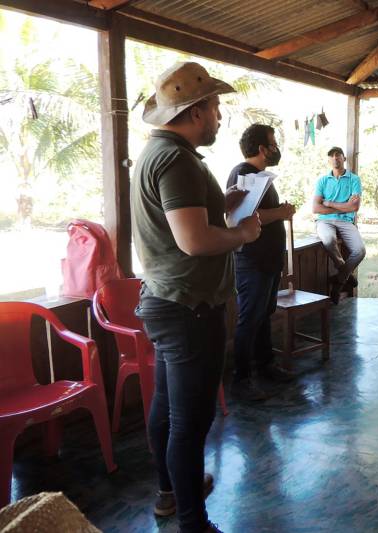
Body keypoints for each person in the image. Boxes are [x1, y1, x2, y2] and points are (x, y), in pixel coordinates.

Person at [132, 62, 261, 533]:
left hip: (167, 300)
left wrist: (219, 206)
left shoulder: (157, 153)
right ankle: (193, 522)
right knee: (189, 422)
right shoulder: (178, 160)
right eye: (216, 106)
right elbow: (193, 241)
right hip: (188, 308)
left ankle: (170, 494)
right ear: (196, 111)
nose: (220, 116)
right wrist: (243, 232)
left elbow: (183, 221)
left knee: (167, 410)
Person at [226, 124, 296, 402]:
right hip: (251, 260)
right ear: (261, 148)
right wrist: (281, 212)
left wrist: (279, 213)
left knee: (263, 314)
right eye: (273, 143)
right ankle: (241, 380)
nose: (276, 147)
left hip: (267, 259)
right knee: (249, 318)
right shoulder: (242, 174)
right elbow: (244, 217)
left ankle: (265, 365)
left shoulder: (259, 175)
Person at [312, 146, 366, 304]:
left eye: (338, 155)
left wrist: (328, 203)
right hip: (324, 221)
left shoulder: (353, 179)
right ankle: (345, 275)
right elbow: (315, 208)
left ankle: (339, 280)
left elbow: (354, 207)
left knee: (360, 251)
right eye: (331, 156)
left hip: (346, 221)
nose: (335, 158)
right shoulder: (322, 180)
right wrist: (343, 205)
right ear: (329, 160)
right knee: (328, 240)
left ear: (344, 158)